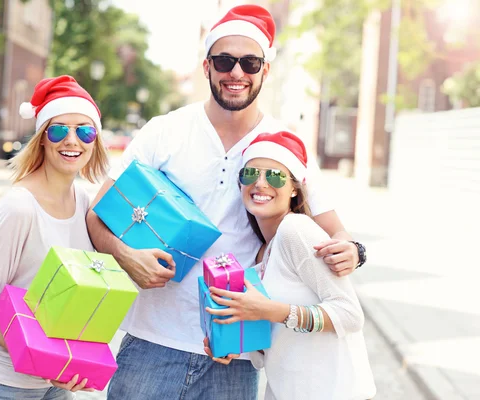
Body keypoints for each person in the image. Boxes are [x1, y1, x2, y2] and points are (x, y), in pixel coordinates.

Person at [86, 5, 366, 399]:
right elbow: (98, 213)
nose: (237, 73)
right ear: (207, 67)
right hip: (153, 343)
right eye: (225, 60)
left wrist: (353, 250)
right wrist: (125, 255)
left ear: (265, 70)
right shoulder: (165, 131)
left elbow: (337, 234)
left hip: (233, 352)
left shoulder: (285, 146)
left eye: (250, 62)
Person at [0, 75, 108, 399]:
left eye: (84, 130)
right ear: (42, 138)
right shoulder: (19, 207)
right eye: (59, 129)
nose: (72, 140)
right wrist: (40, 359)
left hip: (56, 383)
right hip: (6, 382)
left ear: (95, 140)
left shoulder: (87, 204)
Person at [204, 131, 376, 399]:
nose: (260, 184)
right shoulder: (263, 254)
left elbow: (350, 315)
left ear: (294, 188)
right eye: (250, 174)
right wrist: (235, 342)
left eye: (274, 176)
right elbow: (276, 339)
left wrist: (272, 310)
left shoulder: (295, 230)